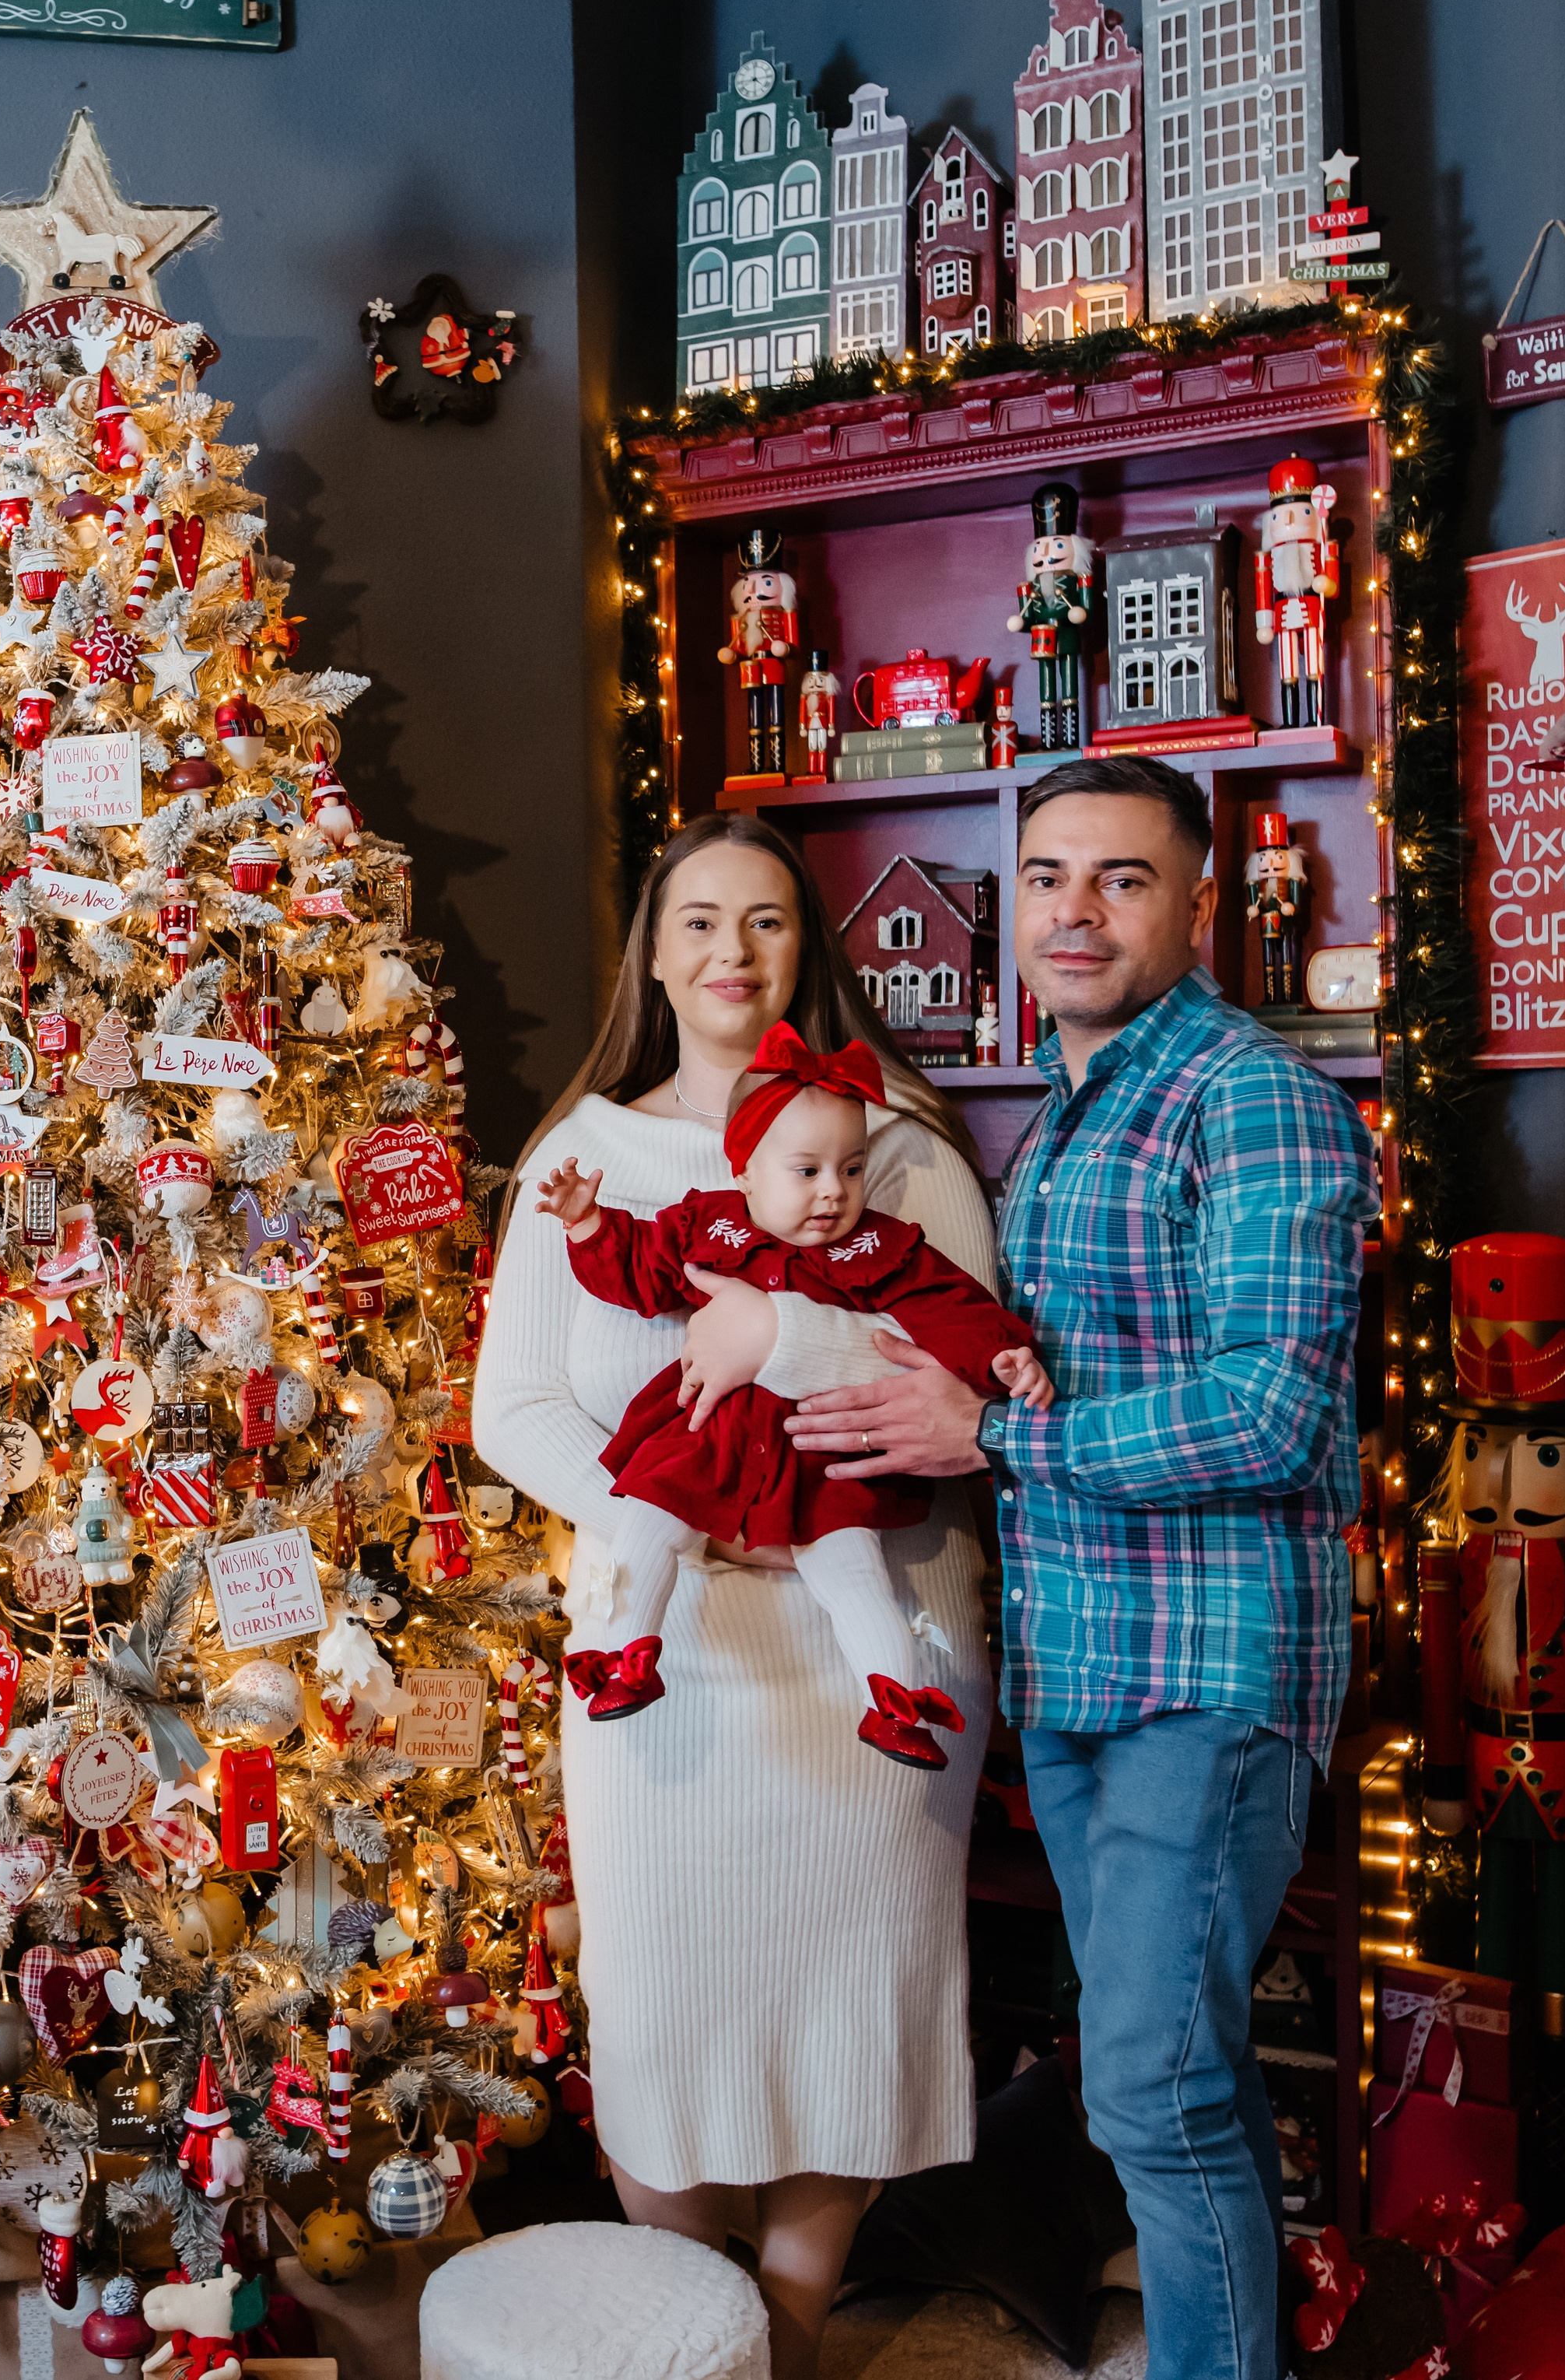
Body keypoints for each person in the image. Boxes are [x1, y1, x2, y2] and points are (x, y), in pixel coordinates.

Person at [679, 757, 1378, 2380]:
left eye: (1120, 878)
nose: (1073, 910)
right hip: (1076, 1670)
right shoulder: (1067, 1111)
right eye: (1048, 875)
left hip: (1201, 1672)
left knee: (1151, 2077)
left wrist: (985, 1443)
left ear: (1195, 904)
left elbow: (1268, 1411)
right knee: (1155, 2066)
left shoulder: (1246, 1094)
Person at [474, 813, 996, 2380]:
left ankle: (784, 2326)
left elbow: (956, 1373)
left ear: (803, 944)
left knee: (850, 1994)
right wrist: (670, 1507)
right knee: (658, 2003)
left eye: (763, 920)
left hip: (867, 1638)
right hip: (667, 1640)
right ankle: (683, 2326)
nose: (728, 950)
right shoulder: (582, 1163)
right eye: (695, 920)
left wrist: (788, 1349)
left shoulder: (891, 1136)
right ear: (650, 948)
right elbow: (512, 1409)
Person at [534, 1019, 1048, 1755]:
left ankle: (895, 1696)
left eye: (853, 1167)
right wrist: (588, 1225)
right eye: (806, 1171)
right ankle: (630, 1655)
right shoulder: (707, 1224)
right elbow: (640, 1274)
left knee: (855, 1568)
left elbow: (952, 1307)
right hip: (707, 1430)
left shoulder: (880, 1245)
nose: (834, 1193)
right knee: (649, 1517)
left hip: (818, 1451)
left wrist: (1003, 1357)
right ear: (744, 1169)